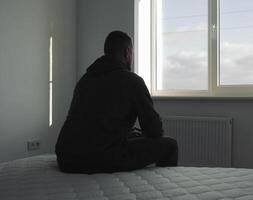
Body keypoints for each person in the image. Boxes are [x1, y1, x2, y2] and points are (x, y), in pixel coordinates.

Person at [55, 31, 178, 174]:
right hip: (102, 157)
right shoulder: (132, 81)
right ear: (127, 53)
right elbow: (155, 131)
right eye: (131, 54)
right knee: (170, 145)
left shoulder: (84, 80)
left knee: (133, 136)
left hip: (67, 158)